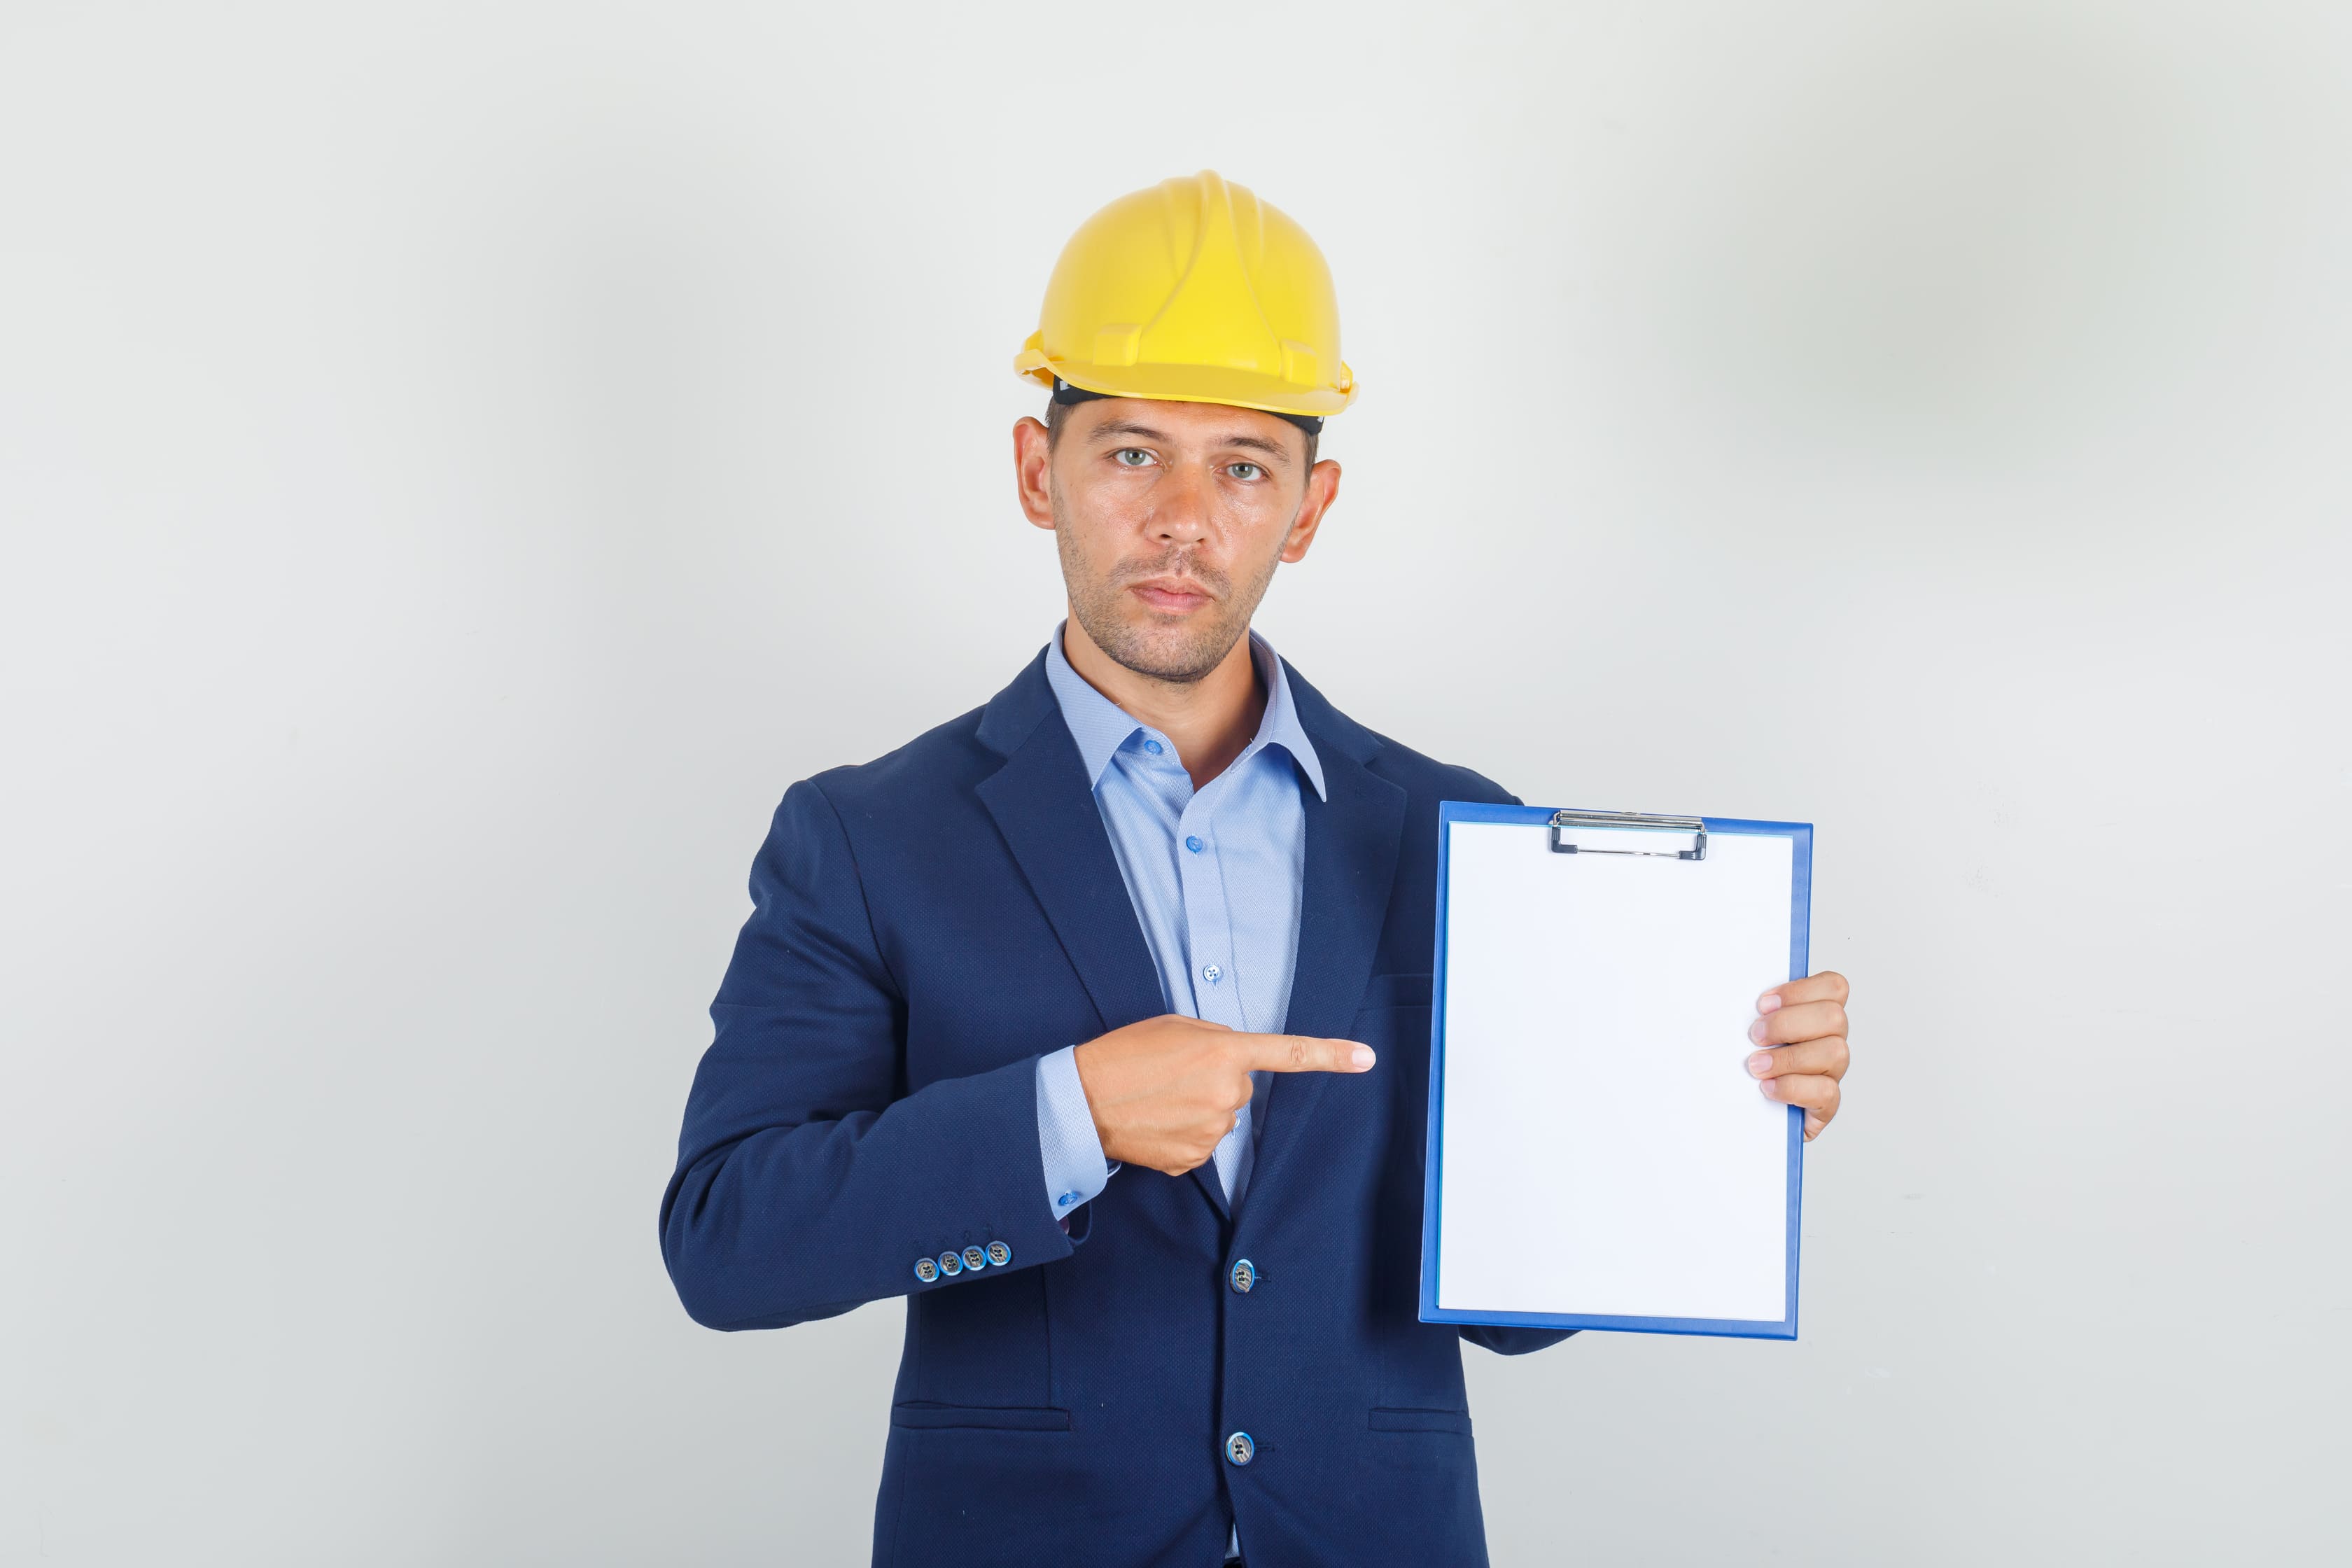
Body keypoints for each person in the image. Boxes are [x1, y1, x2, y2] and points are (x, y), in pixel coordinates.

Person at [659, 171, 1854, 1567]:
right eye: (1131, 453)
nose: (1184, 518)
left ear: (1309, 505)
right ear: (1039, 472)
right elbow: (728, 1242)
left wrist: (1710, 1109)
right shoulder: (867, 838)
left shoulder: (1455, 832)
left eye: (1242, 466)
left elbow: (1517, 1306)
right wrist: (1067, 1115)